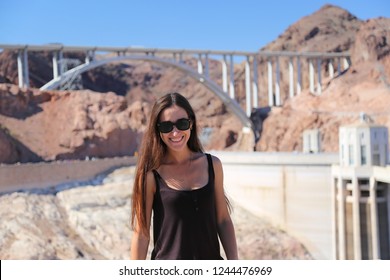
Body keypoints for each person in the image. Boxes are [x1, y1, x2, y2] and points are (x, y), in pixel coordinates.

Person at [130, 92, 238, 260]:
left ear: (191, 124)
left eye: (182, 123)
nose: (175, 133)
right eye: (166, 126)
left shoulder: (213, 165)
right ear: (157, 130)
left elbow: (223, 220)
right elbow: (141, 234)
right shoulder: (151, 175)